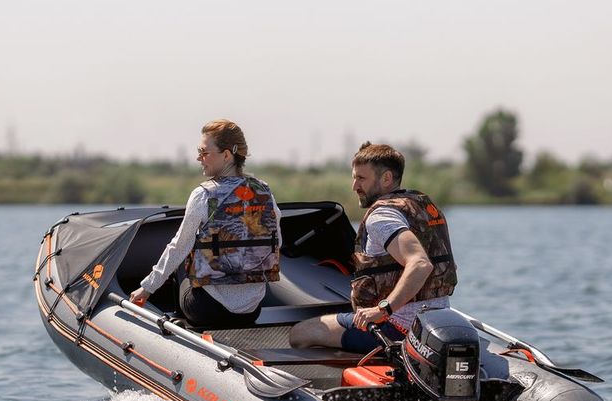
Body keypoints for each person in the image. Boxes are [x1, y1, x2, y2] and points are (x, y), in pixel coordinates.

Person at [289, 141, 457, 352]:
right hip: (437, 321)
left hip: (398, 329)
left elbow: (420, 264)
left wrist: (383, 309)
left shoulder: (381, 216)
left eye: (361, 178)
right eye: (354, 178)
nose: (354, 186)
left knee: (300, 333)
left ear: (386, 178)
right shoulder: (420, 204)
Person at [129, 119, 281, 327]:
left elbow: (178, 247)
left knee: (187, 254)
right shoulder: (264, 191)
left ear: (227, 155)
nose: (198, 158)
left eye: (204, 152)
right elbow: (276, 241)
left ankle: (177, 324)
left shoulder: (204, 195)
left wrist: (147, 288)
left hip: (207, 309)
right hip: (251, 311)